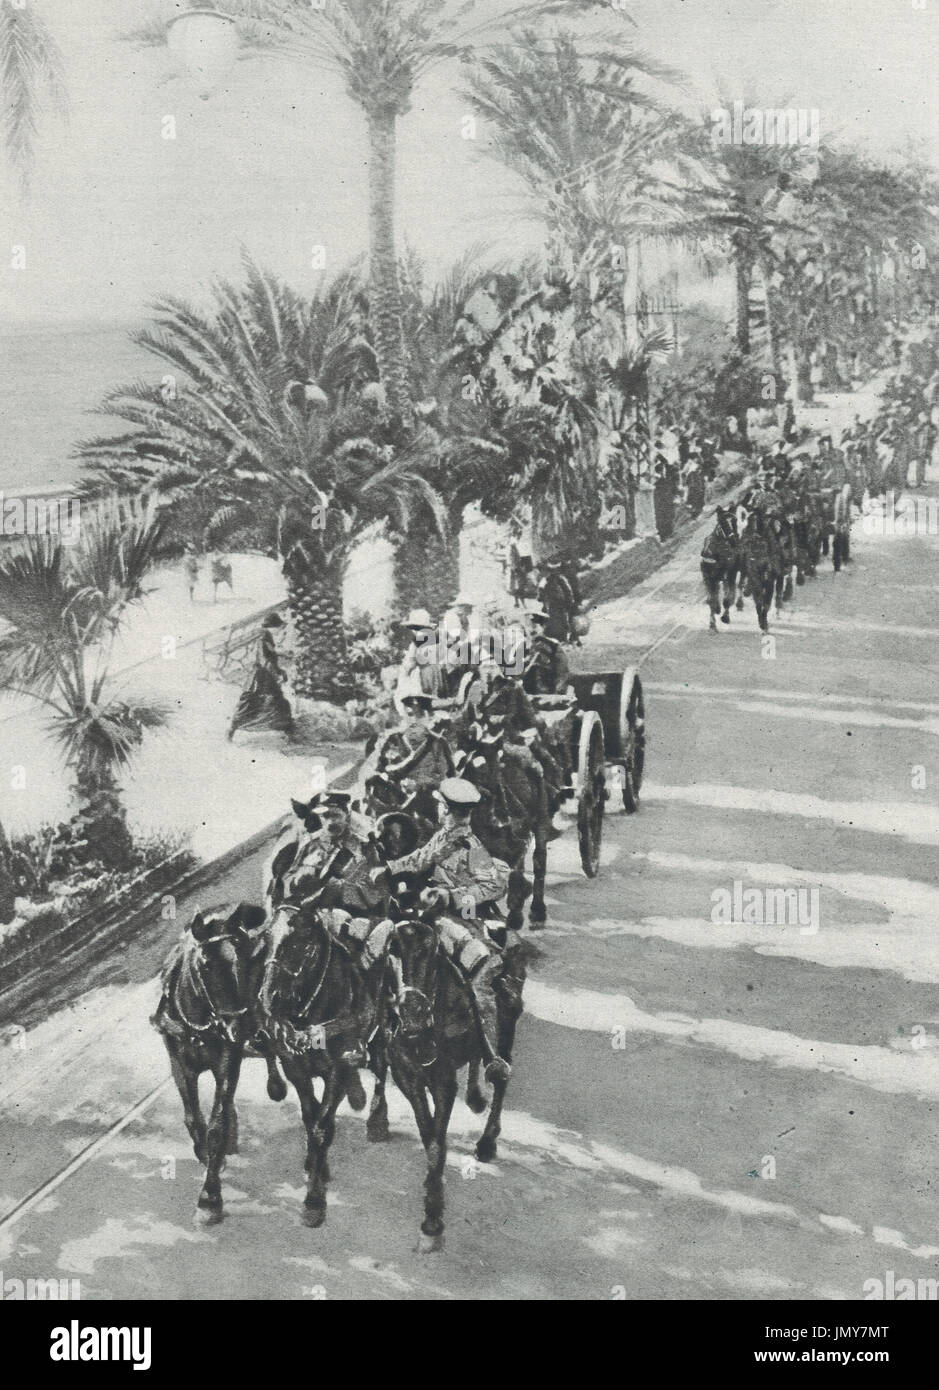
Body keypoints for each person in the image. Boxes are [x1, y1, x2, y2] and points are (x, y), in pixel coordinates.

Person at [369, 777, 513, 1081]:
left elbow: (494, 885)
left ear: (446, 808)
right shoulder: (444, 837)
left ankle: (491, 1055)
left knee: (479, 980)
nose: (438, 808)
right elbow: (421, 859)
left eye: (440, 805)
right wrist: (390, 868)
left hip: (463, 918)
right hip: (431, 914)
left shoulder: (470, 846)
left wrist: (453, 896)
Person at [228, 612, 294, 741]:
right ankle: (231, 731)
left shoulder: (266, 636)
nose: (280, 630)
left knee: (277, 703)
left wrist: (280, 669)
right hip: (260, 677)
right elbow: (265, 660)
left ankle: (289, 732)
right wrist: (278, 673)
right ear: (272, 626)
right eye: (279, 627)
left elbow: (270, 655)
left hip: (264, 676)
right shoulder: (264, 637)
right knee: (250, 704)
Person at [394, 608, 450, 715]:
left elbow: (410, 663)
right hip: (435, 672)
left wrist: (405, 670)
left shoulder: (417, 642)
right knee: (433, 697)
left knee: (421, 700)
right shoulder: (434, 640)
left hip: (424, 673)